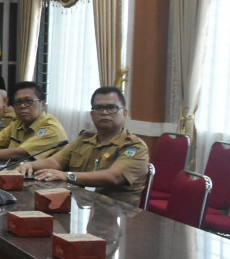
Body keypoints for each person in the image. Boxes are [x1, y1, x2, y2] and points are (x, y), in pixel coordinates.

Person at [22, 86, 150, 204]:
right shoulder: (85, 139)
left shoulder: (134, 146)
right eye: (98, 108)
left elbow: (114, 176)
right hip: (81, 206)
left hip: (119, 214)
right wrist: (29, 165)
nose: (104, 113)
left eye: (111, 108)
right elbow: (56, 162)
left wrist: (69, 176)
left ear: (125, 113)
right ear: (92, 114)